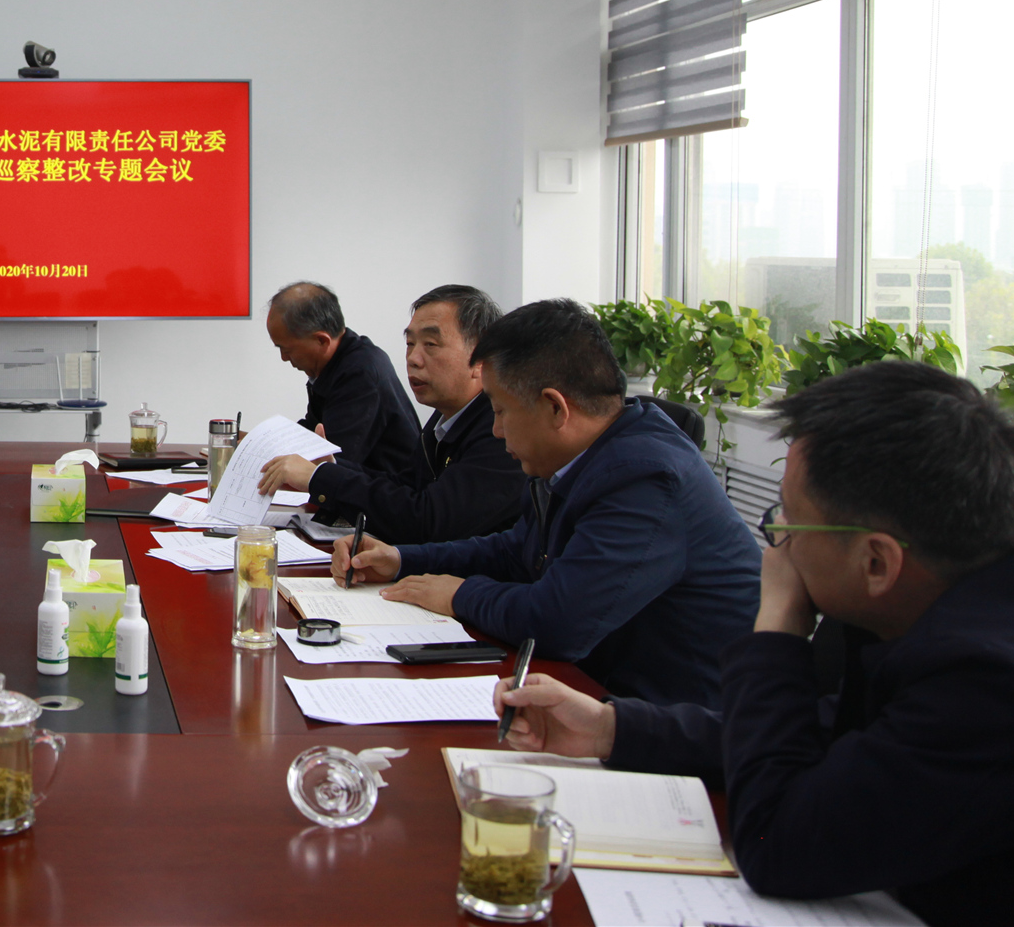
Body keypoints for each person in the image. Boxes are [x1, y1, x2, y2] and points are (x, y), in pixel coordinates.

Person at [495, 362, 1014, 925]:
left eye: (788, 522)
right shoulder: (943, 600)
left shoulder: (991, 681)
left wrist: (776, 623)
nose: (776, 544)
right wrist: (611, 728)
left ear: (877, 562)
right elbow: (829, 738)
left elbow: (779, 844)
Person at [336, 298, 759, 706]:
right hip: (600, 689)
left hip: (677, 719)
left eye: (500, 411)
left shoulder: (646, 477)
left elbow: (559, 622)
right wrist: (401, 560)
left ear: (555, 408)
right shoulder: (575, 457)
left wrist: (460, 595)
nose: (496, 430)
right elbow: (516, 551)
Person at [259, 284, 526, 543]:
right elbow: (406, 485)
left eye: (430, 344)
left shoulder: (502, 429)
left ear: (480, 359)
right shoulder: (444, 418)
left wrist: (321, 477)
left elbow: (428, 522)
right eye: (410, 343)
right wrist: (331, 469)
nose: (413, 359)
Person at [263, 281, 424, 503]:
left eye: (286, 349)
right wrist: (260, 443)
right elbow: (312, 432)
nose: (284, 358)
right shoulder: (334, 366)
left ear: (321, 340)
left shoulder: (360, 374)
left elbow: (330, 461)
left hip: (390, 500)